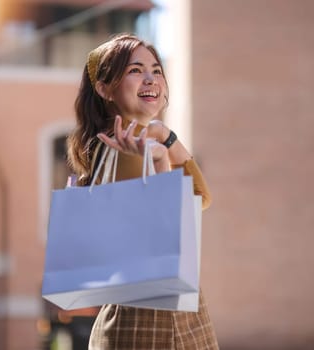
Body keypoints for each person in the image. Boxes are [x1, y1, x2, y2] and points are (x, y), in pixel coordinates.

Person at [67, 33, 219, 350]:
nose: (150, 78)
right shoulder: (125, 150)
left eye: (156, 69)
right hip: (150, 326)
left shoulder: (138, 143)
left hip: (155, 319)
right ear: (104, 88)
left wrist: (166, 136)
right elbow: (167, 239)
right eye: (135, 70)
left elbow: (200, 198)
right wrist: (162, 157)